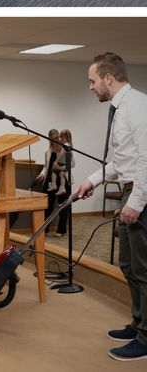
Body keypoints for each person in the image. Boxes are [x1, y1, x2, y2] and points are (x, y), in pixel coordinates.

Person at [76, 52, 147, 361]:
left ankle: (146, 339)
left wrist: (136, 202)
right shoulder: (120, 108)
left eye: (92, 81)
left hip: (141, 197)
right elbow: (120, 161)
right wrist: (92, 180)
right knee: (130, 267)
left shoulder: (139, 107)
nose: (90, 87)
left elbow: (146, 160)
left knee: (144, 271)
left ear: (108, 78)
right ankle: (139, 322)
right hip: (132, 194)